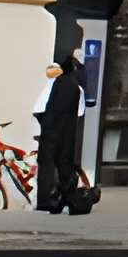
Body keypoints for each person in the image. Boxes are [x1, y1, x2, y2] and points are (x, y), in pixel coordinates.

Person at [35, 58, 86, 215]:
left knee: (48, 165)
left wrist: (45, 123)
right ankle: (64, 198)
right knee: (64, 164)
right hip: (67, 132)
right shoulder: (76, 87)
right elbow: (79, 112)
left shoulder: (56, 83)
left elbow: (41, 108)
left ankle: (47, 200)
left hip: (51, 130)